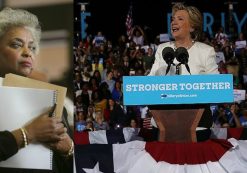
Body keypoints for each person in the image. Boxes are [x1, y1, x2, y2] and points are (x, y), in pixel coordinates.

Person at [0, 7, 73, 172]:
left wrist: (69, 149)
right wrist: (29, 133)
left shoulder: (53, 102)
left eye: (32, 48)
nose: (28, 53)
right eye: (16, 45)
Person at [148, 3, 219, 128]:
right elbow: (150, 81)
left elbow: (217, 87)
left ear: (192, 27)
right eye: (173, 19)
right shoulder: (162, 49)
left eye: (180, 19)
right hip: (164, 123)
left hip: (198, 123)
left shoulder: (206, 51)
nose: (173, 23)